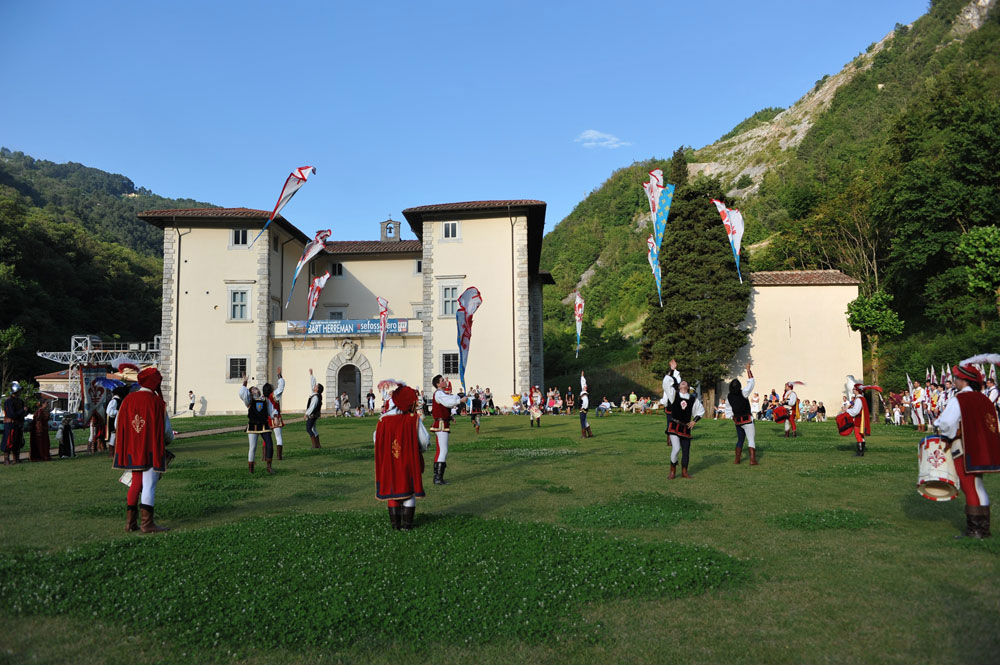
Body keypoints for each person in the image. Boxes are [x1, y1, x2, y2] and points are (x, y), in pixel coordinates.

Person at [932, 363, 1000, 539]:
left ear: (963, 380)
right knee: (978, 486)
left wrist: (942, 431)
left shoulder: (959, 399)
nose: (954, 381)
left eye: (956, 378)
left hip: (964, 447)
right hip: (981, 449)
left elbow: (947, 423)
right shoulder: (982, 398)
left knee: (969, 486)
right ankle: (983, 528)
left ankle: (976, 531)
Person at [112, 367, 173, 533]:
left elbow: (118, 424)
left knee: (135, 484)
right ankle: (147, 524)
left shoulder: (127, 400)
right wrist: (167, 442)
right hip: (151, 448)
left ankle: (130, 524)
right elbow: (167, 432)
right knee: (149, 485)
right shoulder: (156, 402)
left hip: (132, 449)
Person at [375, 385, 430, 530]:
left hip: (389, 461)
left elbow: (376, 439)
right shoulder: (412, 419)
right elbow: (424, 440)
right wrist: (420, 449)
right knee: (409, 489)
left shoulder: (383, 420)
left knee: (393, 489)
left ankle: (395, 524)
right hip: (408, 459)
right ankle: (407, 525)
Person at [660, 359, 705, 479]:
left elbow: (700, 411)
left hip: (686, 428)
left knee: (686, 451)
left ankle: (684, 471)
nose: (683, 382)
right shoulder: (673, 395)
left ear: (688, 386)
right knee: (676, 449)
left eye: (685, 382)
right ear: (679, 386)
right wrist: (672, 370)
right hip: (674, 426)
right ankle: (673, 469)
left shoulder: (692, 399)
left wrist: (694, 421)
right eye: (682, 382)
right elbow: (666, 382)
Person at [429, 375, 462, 484]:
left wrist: (450, 416)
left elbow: (446, 403)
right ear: (438, 384)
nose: (445, 381)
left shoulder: (441, 394)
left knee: (440, 450)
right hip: (441, 424)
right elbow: (448, 402)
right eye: (442, 380)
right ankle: (438, 478)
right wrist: (460, 400)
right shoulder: (439, 393)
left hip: (443, 422)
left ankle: (437, 477)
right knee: (443, 450)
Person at [240, 374, 274, 474]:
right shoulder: (249, 400)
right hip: (253, 426)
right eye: (254, 389)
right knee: (253, 447)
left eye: (256, 388)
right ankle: (251, 469)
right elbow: (243, 394)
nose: (256, 389)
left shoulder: (265, 400)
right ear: (250, 393)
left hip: (264, 425)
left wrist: (274, 416)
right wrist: (245, 383)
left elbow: (270, 411)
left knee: (270, 445)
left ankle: (269, 467)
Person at [724, 363, 757, 465]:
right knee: (751, 440)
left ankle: (737, 460)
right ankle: (752, 460)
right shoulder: (743, 393)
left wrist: (732, 417)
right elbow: (751, 382)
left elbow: (728, 411)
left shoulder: (728, 397)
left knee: (740, 440)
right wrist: (748, 370)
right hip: (747, 420)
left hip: (738, 422)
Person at [847, 383, 880, 456]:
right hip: (861, 420)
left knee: (858, 435)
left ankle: (860, 452)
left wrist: (847, 410)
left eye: (854, 389)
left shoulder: (859, 399)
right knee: (861, 436)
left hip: (859, 420)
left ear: (857, 390)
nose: (853, 390)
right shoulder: (861, 398)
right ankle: (861, 451)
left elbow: (856, 411)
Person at [263, 368, 286, 459]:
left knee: (266, 438)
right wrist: (279, 376)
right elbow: (281, 387)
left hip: (267, 419)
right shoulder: (274, 395)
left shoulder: (263, 398)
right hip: (276, 418)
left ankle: (264, 456)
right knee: (278, 438)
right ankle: (279, 456)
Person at [2, 381, 27, 465]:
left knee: (17, 442)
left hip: (18, 424)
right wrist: (22, 410)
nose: (20, 392)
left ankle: (16, 459)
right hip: (10, 424)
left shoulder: (20, 401)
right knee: (9, 442)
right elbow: (11, 414)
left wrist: (25, 410)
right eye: (19, 391)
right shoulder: (8, 401)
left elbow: (22, 414)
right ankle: (6, 459)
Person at [305, 369, 323, 448]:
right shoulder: (315, 394)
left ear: (317, 389)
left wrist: (307, 414)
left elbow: (312, 406)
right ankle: (318, 445)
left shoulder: (315, 397)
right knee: (314, 429)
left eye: (316, 386)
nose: (314, 386)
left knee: (308, 429)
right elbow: (312, 385)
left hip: (312, 415)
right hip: (314, 415)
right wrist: (311, 375)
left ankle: (314, 445)